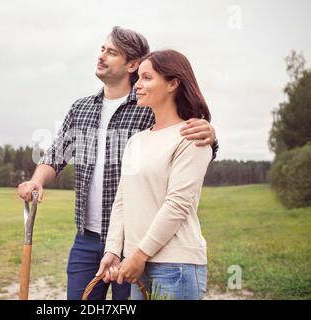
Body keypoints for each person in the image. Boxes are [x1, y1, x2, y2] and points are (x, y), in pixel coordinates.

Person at [17, 27, 218, 300]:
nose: (101, 56)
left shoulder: (149, 104)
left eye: (112, 52)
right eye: (102, 49)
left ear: (132, 64)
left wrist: (211, 135)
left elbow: (184, 135)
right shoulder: (81, 108)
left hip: (136, 242)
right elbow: (56, 154)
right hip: (88, 239)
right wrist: (36, 180)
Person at [100, 49, 212, 300]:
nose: (137, 85)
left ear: (173, 83)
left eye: (147, 78)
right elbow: (122, 200)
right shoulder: (136, 141)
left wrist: (139, 255)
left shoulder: (192, 136)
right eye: (137, 78)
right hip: (138, 266)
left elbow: (177, 205)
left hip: (176, 267)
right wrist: (113, 251)